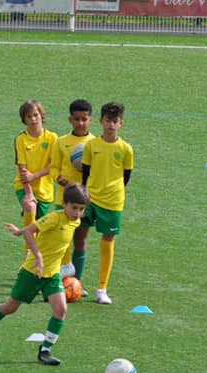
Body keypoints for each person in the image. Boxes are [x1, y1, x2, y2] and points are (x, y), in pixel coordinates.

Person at [0, 184, 90, 366]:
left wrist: (19, 231)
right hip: (32, 272)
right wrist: (38, 255)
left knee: (61, 309)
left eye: (81, 209)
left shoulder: (76, 222)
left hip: (52, 275)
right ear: (64, 204)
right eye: (74, 208)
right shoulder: (54, 219)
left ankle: (45, 350)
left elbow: (32, 233)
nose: (77, 212)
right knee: (11, 307)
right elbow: (31, 231)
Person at [72, 101, 135, 305]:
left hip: (113, 202)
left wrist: (113, 191)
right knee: (79, 237)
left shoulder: (126, 149)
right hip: (90, 199)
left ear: (121, 123)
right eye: (108, 121)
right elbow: (86, 173)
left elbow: (126, 176)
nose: (111, 125)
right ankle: (76, 283)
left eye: (115, 122)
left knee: (107, 241)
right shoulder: (91, 145)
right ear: (101, 121)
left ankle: (102, 288)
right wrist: (84, 195)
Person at [50, 99, 96, 280]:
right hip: (64, 199)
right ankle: (56, 278)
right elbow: (54, 167)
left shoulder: (95, 143)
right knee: (62, 241)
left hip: (85, 201)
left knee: (80, 240)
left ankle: (76, 282)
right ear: (70, 120)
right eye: (77, 119)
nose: (81, 123)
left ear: (91, 120)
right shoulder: (62, 142)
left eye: (84, 119)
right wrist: (58, 179)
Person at [13, 100, 58, 255]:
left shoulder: (52, 138)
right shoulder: (21, 140)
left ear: (41, 116)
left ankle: (36, 260)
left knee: (40, 230)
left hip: (45, 191)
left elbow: (54, 165)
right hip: (24, 186)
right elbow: (22, 169)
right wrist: (29, 194)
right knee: (30, 206)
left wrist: (35, 176)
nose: (33, 119)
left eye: (35, 115)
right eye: (28, 117)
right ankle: (27, 258)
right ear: (24, 120)